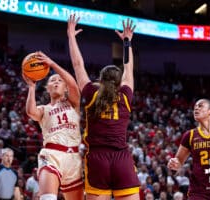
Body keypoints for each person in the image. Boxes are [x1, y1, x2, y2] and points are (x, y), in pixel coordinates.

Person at [67, 14, 140, 199]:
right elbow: (128, 68)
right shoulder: (125, 96)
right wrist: (126, 42)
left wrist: (71, 37)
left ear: (100, 79)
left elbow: (77, 65)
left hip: (97, 159)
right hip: (121, 158)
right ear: (119, 83)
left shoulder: (92, 93)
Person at [23, 51, 83, 200]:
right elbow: (31, 112)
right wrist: (31, 87)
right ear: (47, 88)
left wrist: (52, 64)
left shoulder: (73, 103)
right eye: (52, 80)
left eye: (59, 80)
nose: (56, 82)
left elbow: (73, 83)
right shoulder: (44, 109)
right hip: (51, 154)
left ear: (65, 88)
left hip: (73, 159)